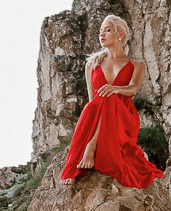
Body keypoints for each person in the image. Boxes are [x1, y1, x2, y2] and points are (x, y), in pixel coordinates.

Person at [57, 15, 164, 189]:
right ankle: (89, 148)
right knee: (98, 103)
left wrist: (115, 89)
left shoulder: (137, 65)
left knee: (111, 97)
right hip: (98, 116)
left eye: (107, 30)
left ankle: (91, 147)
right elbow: (92, 101)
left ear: (120, 35)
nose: (102, 34)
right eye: (100, 31)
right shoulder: (92, 64)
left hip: (123, 117)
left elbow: (133, 89)